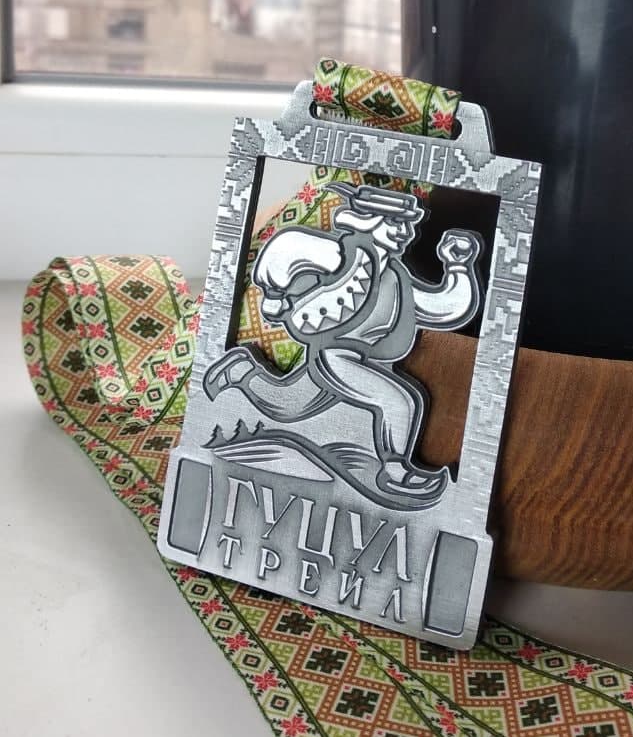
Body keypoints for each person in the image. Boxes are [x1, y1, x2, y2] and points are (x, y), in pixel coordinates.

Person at [204, 182, 482, 500]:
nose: (404, 232)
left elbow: (444, 308)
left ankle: (242, 371)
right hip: (336, 355)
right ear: (370, 221)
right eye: (396, 223)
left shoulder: (397, 278)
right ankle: (397, 472)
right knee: (399, 400)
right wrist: (275, 294)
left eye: (407, 225)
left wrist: (458, 266)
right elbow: (287, 248)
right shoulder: (340, 256)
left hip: (372, 360)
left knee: (288, 405)